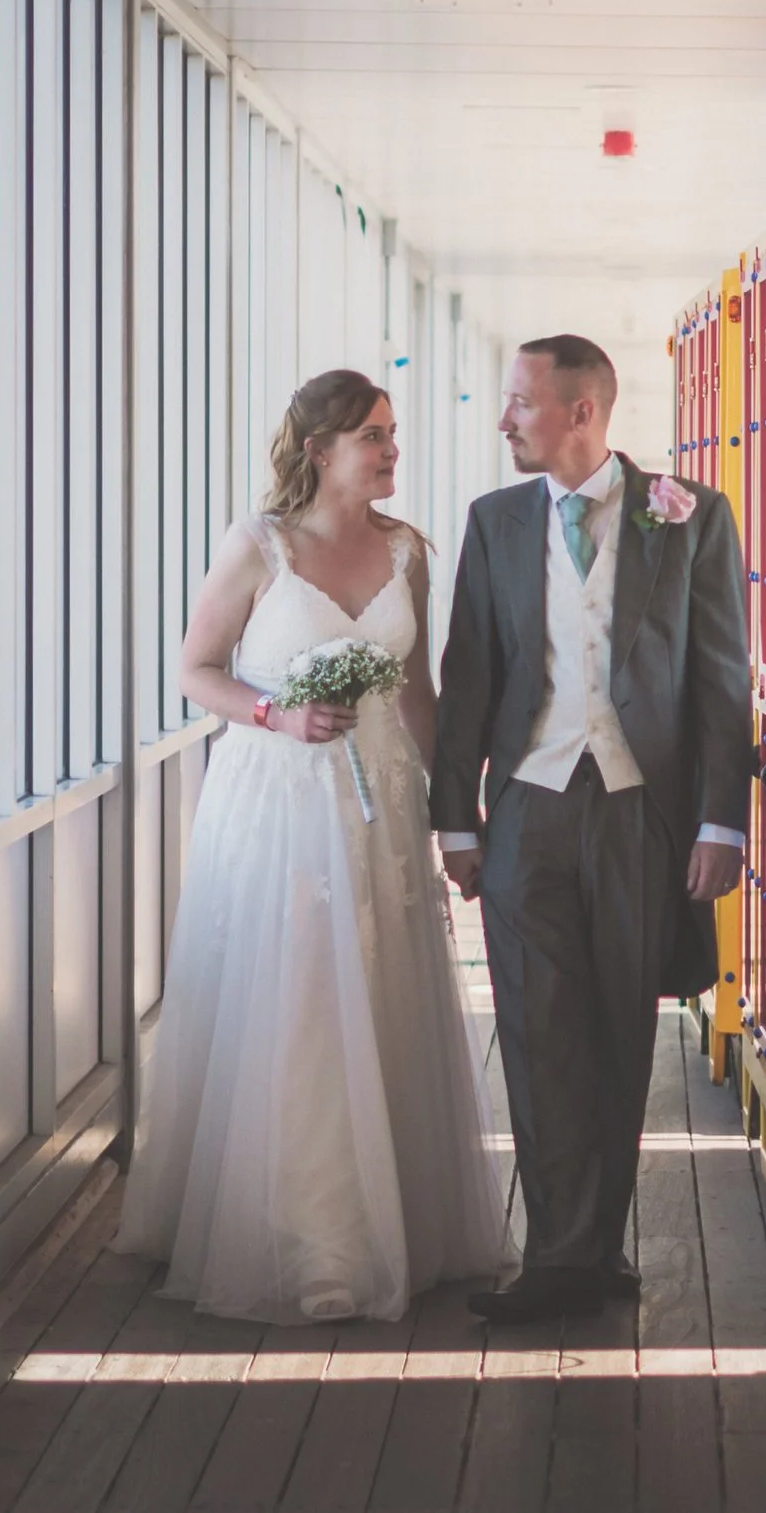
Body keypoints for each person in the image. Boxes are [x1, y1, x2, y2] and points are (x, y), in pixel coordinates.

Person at [116, 370, 510, 1324]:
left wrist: (455, 811)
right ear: (320, 447)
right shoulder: (259, 546)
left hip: (378, 810)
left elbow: (418, 693)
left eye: (392, 432)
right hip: (278, 803)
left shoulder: (408, 551)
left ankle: (393, 1223)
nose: (390, 450)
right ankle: (310, 1241)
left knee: (377, 995)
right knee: (295, 1003)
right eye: (372, 434)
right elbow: (191, 670)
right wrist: (274, 712)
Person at [431, 333, 753, 1324]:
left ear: (582, 411)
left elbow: (720, 676)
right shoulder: (493, 523)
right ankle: (560, 1255)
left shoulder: (689, 517)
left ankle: (595, 1242)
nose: (503, 420)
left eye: (520, 401)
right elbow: (469, 672)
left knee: (620, 1028)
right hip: (527, 804)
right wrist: (455, 817)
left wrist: (720, 821)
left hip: (639, 810)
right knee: (535, 1029)